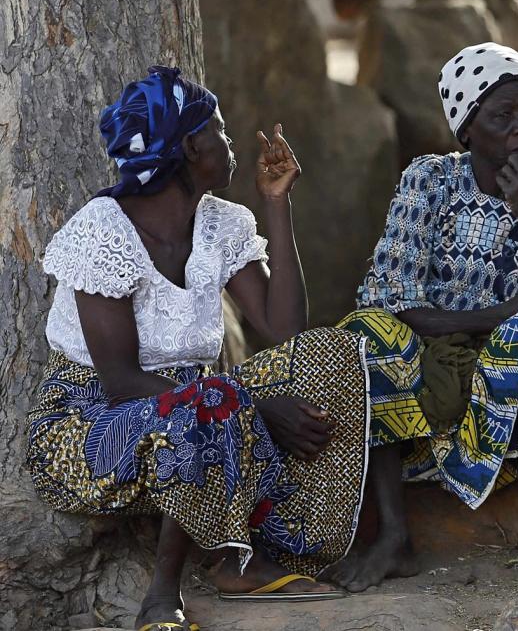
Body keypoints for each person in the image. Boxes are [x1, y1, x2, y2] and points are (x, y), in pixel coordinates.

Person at [26, 67, 368, 631]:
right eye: (221, 132)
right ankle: (166, 596)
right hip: (88, 424)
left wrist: (277, 204)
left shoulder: (221, 223)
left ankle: (264, 546)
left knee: (328, 357)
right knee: (208, 406)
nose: (231, 145)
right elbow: (119, 381)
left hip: (204, 405)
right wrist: (246, 404)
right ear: (190, 147)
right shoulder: (102, 231)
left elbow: (287, 331)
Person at [329, 42, 518, 589]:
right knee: (364, 335)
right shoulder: (429, 179)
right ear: (466, 129)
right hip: (432, 353)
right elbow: (391, 297)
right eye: (502, 114)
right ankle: (393, 536)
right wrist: (502, 311)